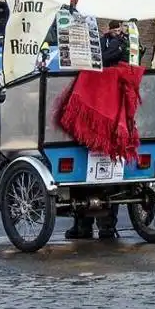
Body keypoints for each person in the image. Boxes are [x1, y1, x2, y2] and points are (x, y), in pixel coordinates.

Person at [65, 20, 131, 241]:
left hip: (95, 117)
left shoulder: (113, 46)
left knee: (87, 170)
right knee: (109, 173)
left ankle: (88, 225)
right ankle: (103, 225)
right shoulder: (124, 46)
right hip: (112, 120)